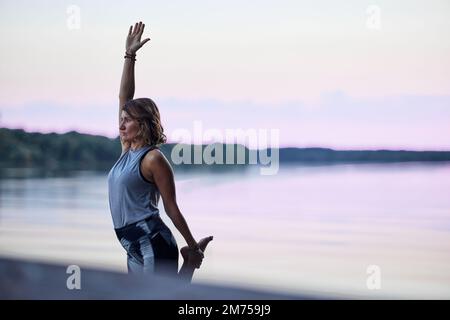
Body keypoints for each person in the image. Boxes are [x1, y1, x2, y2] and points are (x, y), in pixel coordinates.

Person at [107, 21, 213, 282]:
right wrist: (129, 56)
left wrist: (192, 245)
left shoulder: (152, 158)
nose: (121, 124)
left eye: (128, 119)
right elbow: (124, 97)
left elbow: (171, 207)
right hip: (131, 244)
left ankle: (190, 259)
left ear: (143, 124)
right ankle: (187, 266)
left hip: (151, 239)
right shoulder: (126, 150)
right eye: (121, 118)